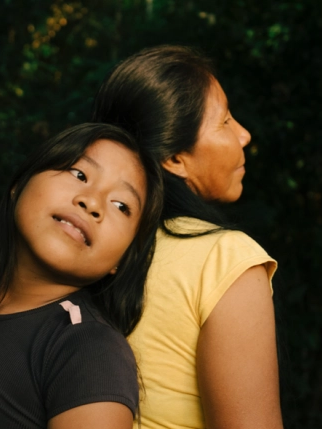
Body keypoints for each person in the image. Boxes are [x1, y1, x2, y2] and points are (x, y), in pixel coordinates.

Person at [0, 123, 163, 429]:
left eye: (121, 205)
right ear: (20, 184)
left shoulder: (90, 352)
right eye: (79, 174)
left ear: (120, 261)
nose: (92, 202)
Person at [92, 45, 283, 429]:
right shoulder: (224, 260)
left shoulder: (92, 246)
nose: (244, 135)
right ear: (175, 158)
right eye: (226, 121)